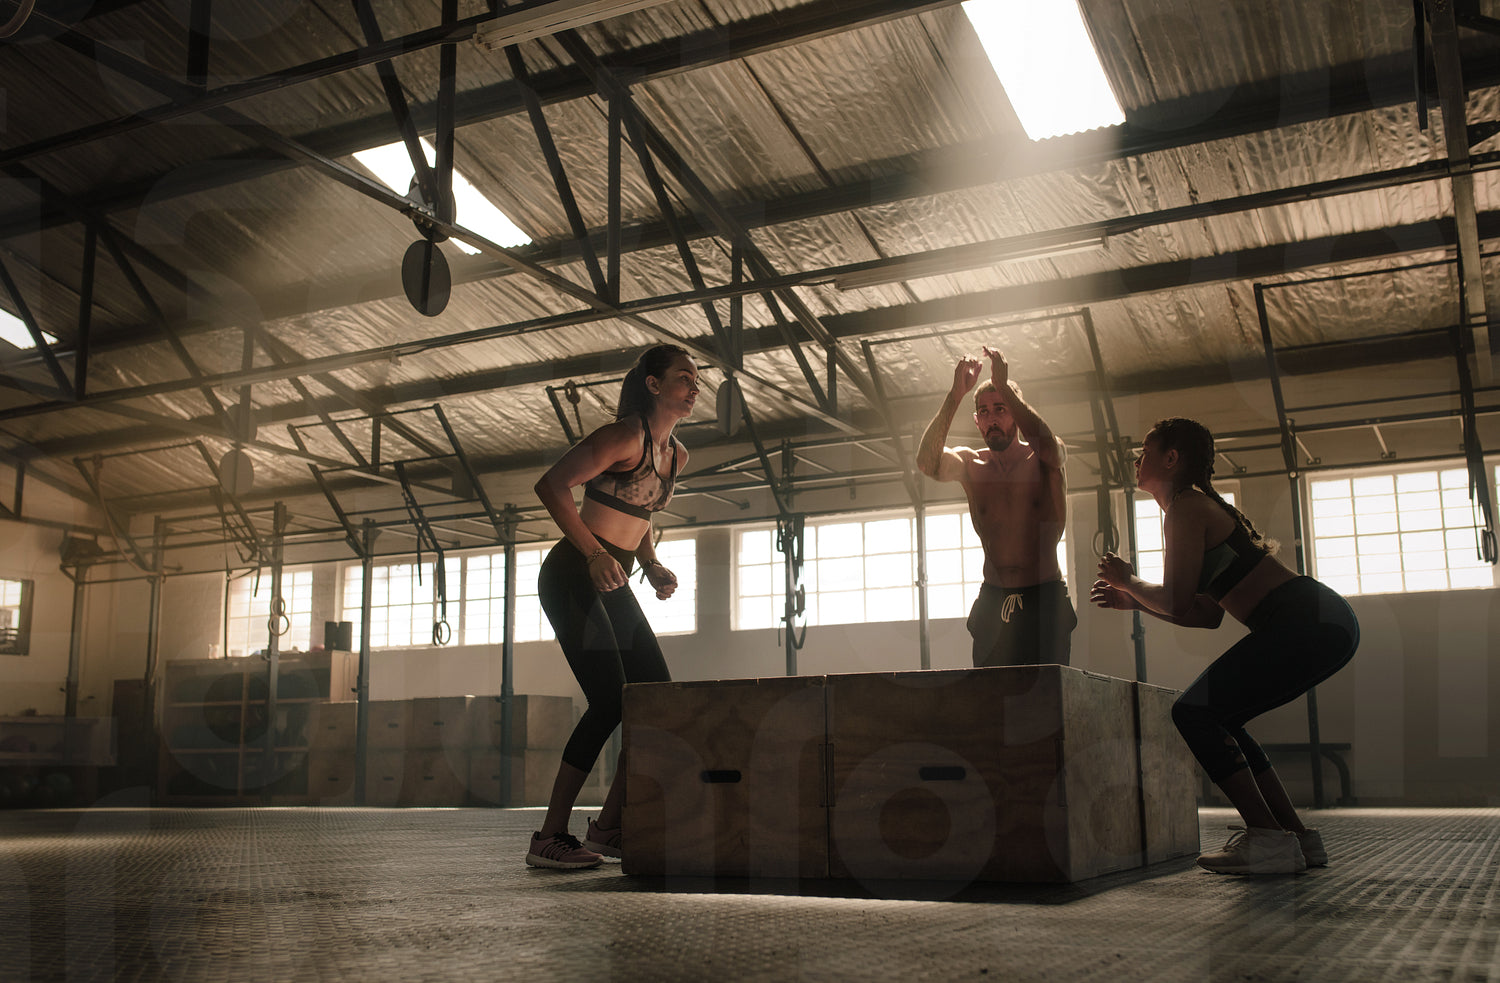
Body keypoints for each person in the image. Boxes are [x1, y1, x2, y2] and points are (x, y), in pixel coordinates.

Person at [1090, 417, 1359, 875]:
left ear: (1171, 458)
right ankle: (1295, 837)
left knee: (1193, 712)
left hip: (1306, 621)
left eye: (1145, 451)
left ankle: (1267, 838)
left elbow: (1176, 602)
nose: (1137, 460)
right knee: (1222, 716)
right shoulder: (1192, 509)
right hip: (1321, 622)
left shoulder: (1186, 508)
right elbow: (1204, 614)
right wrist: (1134, 602)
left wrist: (1129, 581)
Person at [527, 343, 697, 869]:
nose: (694, 388)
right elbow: (552, 485)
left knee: (654, 699)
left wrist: (652, 564)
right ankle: (549, 836)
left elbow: (640, 512)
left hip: (615, 575)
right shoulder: (624, 436)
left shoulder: (676, 455)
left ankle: (607, 828)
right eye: (684, 378)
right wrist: (595, 554)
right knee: (608, 700)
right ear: (653, 384)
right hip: (572, 573)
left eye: (697, 380)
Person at [916, 346, 1076, 667]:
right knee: (989, 694)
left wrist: (1005, 387)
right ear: (977, 421)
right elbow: (927, 463)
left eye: (1000, 409)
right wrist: (955, 396)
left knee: (1046, 693)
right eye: (985, 412)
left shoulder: (1043, 458)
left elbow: (1052, 451)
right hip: (993, 599)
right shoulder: (970, 464)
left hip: (1043, 597)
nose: (992, 419)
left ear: (1015, 412)